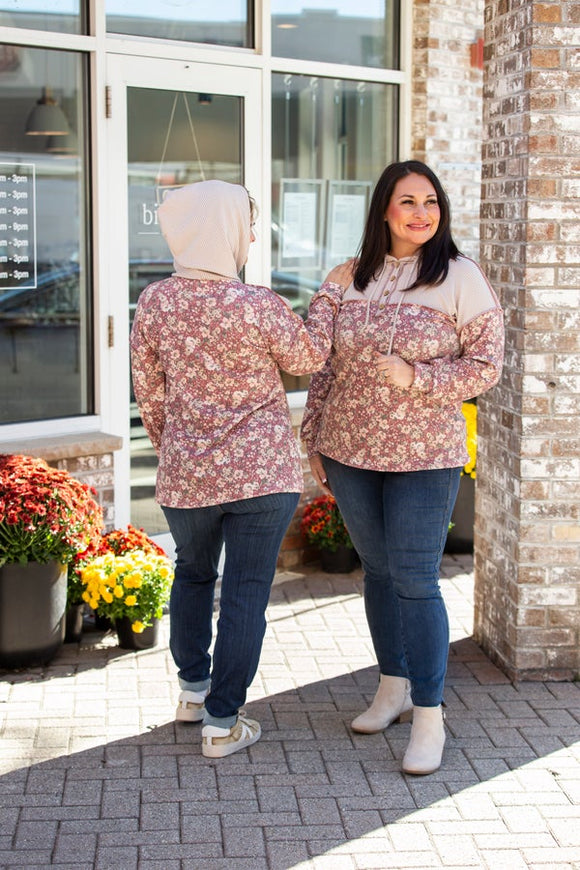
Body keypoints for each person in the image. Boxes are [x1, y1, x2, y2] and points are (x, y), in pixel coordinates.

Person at [130, 179, 353, 758]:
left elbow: (148, 393)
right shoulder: (258, 304)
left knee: (192, 575)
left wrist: (175, 449)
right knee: (246, 593)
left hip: (187, 476)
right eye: (249, 225)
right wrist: (329, 295)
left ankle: (192, 693)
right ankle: (222, 722)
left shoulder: (155, 301)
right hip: (262, 476)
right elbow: (310, 356)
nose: (252, 237)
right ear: (225, 228)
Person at [301, 160, 504, 775]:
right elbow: (323, 364)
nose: (421, 212)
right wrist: (313, 437)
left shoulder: (460, 275)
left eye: (431, 201)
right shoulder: (346, 277)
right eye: (407, 201)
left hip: (424, 456)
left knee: (415, 579)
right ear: (383, 210)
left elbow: (487, 365)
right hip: (350, 451)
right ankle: (392, 687)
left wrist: (418, 376)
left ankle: (429, 715)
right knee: (379, 573)